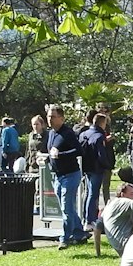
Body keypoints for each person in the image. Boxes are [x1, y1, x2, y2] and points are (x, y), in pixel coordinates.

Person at [45, 104, 84, 248]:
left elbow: (79, 151)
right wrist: (46, 159)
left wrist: (60, 155)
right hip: (58, 175)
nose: (50, 119)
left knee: (67, 208)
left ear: (61, 118)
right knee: (65, 207)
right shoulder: (51, 134)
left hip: (71, 175)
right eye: (49, 116)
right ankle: (80, 232)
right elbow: (51, 153)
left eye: (53, 117)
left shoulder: (68, 133)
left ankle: (65, 238)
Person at [78, 112, 114, 227]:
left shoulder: (84, 134)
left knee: (88, 193)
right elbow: (101, 155)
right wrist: (108, 165)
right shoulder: (99, 136)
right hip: (97, 168)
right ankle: (90, 220)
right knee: (93, 194)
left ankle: (85, 217)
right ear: (102, 123)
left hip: (86, 167)